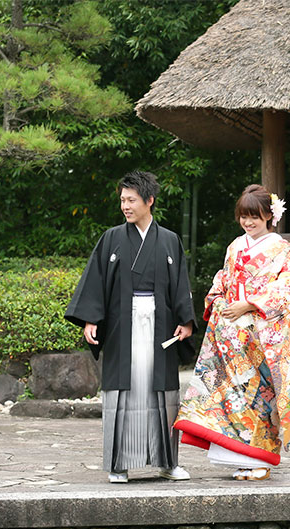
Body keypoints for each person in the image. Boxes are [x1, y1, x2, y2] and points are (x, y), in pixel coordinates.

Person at [64, 171, 196, 483]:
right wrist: (90, 318)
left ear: (149, 201)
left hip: (159, 325)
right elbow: (95, 282)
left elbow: (180, 285)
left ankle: (167, 462)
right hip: (123, 325)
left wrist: (186, 321)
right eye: (122, 200)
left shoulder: (169, 240)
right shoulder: (111, 238)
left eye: (131, 200)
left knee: (160, 392)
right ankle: (118, 464)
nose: (125, 205)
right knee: (124, 390)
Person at [173, 184, 290, 481]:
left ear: (269, 215)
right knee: (232, 396)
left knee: (261, 396)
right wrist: (221, 303)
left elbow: (284, 290)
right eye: (244, 216)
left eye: (254, 216)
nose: (248, 222)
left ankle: (261, 458)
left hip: (262, 337)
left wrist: (248, 304)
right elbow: (221, 282)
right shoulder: (235, 246)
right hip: (233, 338)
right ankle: (238, 457)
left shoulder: (279, 247)